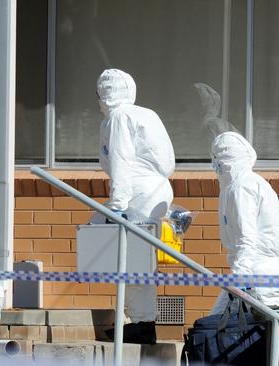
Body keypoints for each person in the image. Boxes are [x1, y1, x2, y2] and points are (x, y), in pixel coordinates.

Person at [96, 68, 175, 344]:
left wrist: (117, 205)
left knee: (133, 260)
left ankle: (141, 324)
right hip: (154, 191)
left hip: (137, 193)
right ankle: (141, 322)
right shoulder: (144, 114)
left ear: (105, 93)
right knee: (140, 261)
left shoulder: (119, 118)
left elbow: (121, 162)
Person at [209, 131, 279, 315]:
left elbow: (247, 237)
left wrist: (241, 276)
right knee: (218, 327)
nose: (215, 165)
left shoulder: (242, 187)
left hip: (257, 273)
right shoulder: (237, 187)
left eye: (218, 158)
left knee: (251, 330)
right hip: (254, 270)